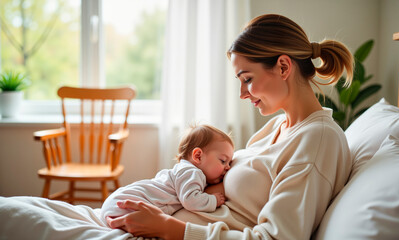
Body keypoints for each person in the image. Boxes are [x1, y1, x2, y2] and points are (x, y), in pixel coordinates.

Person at [105, 14, 354, 239]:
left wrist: (167, 227)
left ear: (283, 67)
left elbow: (275, 238)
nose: (242, 94)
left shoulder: (318, 140)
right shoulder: (278, 127)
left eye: (247, 79)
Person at [101, 124, 234, 223]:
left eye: (229, 162)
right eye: (223, 161)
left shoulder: (183, 170)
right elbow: (191, 201)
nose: (228, 167)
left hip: (116, 201)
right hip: (125, 202)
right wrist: (213, 200)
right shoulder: (192, 172)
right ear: (198, 156)